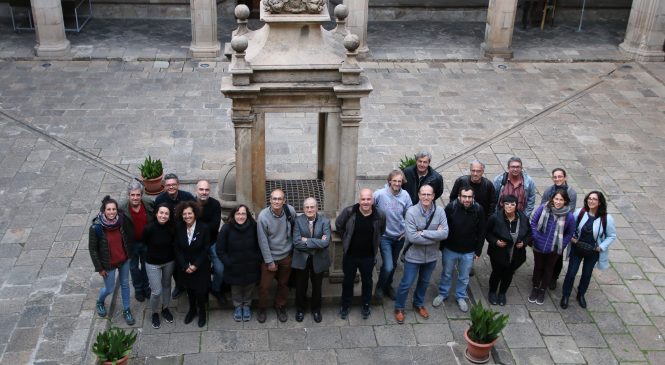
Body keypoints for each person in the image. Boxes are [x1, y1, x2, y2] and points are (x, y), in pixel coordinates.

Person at [394, 184, 448, 324]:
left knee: (424, 282)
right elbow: (412, 238)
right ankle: (399, 307)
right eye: (423, 194)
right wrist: (435, 234)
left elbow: (445, 233)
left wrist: (423, 232)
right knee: (407, 283)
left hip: (431, 256)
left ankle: (418, 303)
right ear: (418, 195)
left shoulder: (440, 211)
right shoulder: (411, 212)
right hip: (413, 255)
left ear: (433, 196)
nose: (426, 197)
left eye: (428, 194)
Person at [433, 186, 486, 312]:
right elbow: (443, 226)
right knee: (446, 273)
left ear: (473, 198)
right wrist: (442, 246)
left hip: (468, 251)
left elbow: (482, 232)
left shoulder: (479, 209)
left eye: (469, 197)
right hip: (450, 249)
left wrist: (478, 251)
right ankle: (443, 293)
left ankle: (460, 296)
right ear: (459, 197)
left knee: (464, 276)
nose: (467, 199)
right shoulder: (451, 207)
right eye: (464, 197)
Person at [561, 191, 617, 309]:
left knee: (586, 274)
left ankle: (581, 294)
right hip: (577, 248)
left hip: (592, 252)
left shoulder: (606, 218)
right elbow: (569, 226)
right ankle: (565, 295)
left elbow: (611, 236)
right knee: (571, 273)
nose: (591, 201)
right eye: (589, 198)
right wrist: (572, 238)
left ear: (600, 202)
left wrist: (601, 247)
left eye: (594, 199)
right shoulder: (580, 213)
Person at [336, 188, 386, 320]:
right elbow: (339, 225)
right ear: (359, 200)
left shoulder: (379, 215)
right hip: (350, 255)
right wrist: (345, 238)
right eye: (363, 199)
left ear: (372, 200)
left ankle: (366, 304)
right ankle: (345, 305)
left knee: (367, 282)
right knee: (347, 282)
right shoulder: (349, 212)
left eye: (368, 199)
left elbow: (382, 230)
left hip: (368, 257)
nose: (365, 202)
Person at [89, 195, 135, 325]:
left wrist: (129, 253)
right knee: (109, 288)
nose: (111, 212)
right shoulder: (96, 228)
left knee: (125, 284)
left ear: (117, 210)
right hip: (108, 264)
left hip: (123, 260)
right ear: (104, 210)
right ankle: (100, 301)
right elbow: (92, 249)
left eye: (113, 209)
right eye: (108, 209)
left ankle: (126, 310)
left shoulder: (121, 221)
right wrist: (99, 268)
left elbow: (128, 236)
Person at [449, 160, 497, 277]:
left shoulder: (488, 185)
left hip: (479, 220)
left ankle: (468, 263)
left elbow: (492, 202)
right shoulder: (461, 181)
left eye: (478, 171)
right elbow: (453, 197)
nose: (475, 173)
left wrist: (487, 219)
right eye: (473, 170)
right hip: (461, 216)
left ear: (482, 171)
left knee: (474, 242)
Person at [256, 188, 296, 323]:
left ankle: (280, 306)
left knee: (283, 284)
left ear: (284, 201)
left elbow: (294, 228)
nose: (277, 201)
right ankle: (262, 308)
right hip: (270, 257)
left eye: (280, 199)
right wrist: (269, 261)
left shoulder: (290, 211)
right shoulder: (263, 217)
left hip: (286, 256)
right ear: (270, 200)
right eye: (274, 199)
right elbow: (262, 241)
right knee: (264, 286)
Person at [529, 190, 575, 305]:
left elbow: (570, 233)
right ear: (552, 199)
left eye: (561, 200)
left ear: (565, 201)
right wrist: (536, 237)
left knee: (549, 269)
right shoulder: (543, 208)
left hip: (554, 248)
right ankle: (535, 287)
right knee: (538, 267)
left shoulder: (569, 216)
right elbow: (533, 222)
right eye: (556, 199)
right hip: (539, 245)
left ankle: (543, 289)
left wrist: (562, 244)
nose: (558, 202)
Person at [217, 205, 261, 322]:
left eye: (243, 214)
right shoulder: (226, 228)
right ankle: (237, 306)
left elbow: (260, 244)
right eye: (238, 214)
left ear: (247, 215)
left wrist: (257, 259)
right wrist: (228, 262)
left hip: (251, 264)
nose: (240, 216)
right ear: (233, 215)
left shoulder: (254, 227)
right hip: (233, 265)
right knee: (236, 288)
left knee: (249, 287)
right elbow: (220, 249)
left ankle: (246, 306)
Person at [154, 173, 195, 299]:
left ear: (178, 185)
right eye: (168, 185)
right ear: (164, 187)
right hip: (169, 237)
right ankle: (179, 286)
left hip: (186, 234)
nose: (171, 187)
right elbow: (157, 218)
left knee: (189, 261)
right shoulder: (160, 200)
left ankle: (190, 285)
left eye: (173, 184)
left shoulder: (187, 197)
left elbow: (195, 212)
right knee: (175, 264)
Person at [373, 170, 412, 301]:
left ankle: (388, 286)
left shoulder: (405, 195)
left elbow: (411, 214)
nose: (396, 183)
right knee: (388, 265)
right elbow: (367, 207)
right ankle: (379, 287)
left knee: (393, 264)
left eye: (399, 181)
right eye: (394, 181)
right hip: (385, 237)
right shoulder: (379, 194)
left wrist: (406, 229)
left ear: (402, 182)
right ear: (389, 181)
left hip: (399, 237)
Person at [485, 195, 531, 306]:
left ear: (516, 206)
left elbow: (529, 234)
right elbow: (487, 233)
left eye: (512, 204)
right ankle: (492, 292)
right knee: (496, 273)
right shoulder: (495, 218)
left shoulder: (523, 218)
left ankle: (502, 293)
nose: (509, 206)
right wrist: (495, 241)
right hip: (498, 253)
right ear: (502, 204)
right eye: (506, 204)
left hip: (515, 254)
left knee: (508, 274)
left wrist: (524, 243)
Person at [292, 197, 331, 323]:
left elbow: (326, 243)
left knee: (317, 286)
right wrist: (317, 243)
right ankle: (300, 309)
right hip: (302, 259)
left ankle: (316, 309)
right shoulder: (297, 221)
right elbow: (297, 242)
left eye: (312, 207)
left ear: (317, 208)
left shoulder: (325, 221)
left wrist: (307, 241)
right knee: (300, 286)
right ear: (303, 209)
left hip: (318, 259)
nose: (310, 209)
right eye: (307, 207)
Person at [173, 201, 211, 327]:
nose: (187, 216)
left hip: (200, 266)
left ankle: (202, 313)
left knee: (200, 291)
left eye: (190, 213)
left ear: (195, 214)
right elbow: (177, 248)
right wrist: (185, 266)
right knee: (190, 290)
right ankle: (192, 310)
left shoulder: (204, 228)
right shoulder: (179, 227)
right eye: (185, 214)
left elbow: (206, 249)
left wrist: (195, 265)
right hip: (185, 267)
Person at [541, 168, 578, 290]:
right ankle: (543, 274)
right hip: (548, 224)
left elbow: (570, 211)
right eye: (555, 177)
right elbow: (543, 206)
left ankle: (554, 277)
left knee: (557, 254)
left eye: (560, 176)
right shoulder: (549, 191)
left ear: (565, 177)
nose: (557, 179)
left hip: (561, 228)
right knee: (544, 252)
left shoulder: (571, 193)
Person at [119, 179, 154, 303]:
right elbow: (108, 214)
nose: (135, 198)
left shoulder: (148, 203)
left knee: (146, 266)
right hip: (131, 244)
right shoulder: (121, 207)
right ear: (128, 195)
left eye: (138, 195)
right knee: (133, 268)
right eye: (132, 195)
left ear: (142, 195)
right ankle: (138, 289)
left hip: (146, 242)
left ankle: (146, 287)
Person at [142, 203, 176, 329]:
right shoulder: (149, 228)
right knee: (156, 291)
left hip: (169, 261)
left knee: (167, 286)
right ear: (156, 213)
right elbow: (144, 242)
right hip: (152, 264)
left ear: (169, 216)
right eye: (161, 213)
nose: (163, 215)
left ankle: (165, 308)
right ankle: (154, 312)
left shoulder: (172, 228)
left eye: (166, 213)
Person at [194, 180, 224, 305]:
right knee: (200, 271)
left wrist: (198, 226)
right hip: (197, 246)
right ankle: (202, 291)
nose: (204, 192)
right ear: (196, 190)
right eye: (201, 189)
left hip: (212, 242)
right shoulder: (190, 205)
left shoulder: (215, 204)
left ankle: (215, 289)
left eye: (206, 190)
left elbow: (214, 226)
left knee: (220, 269)